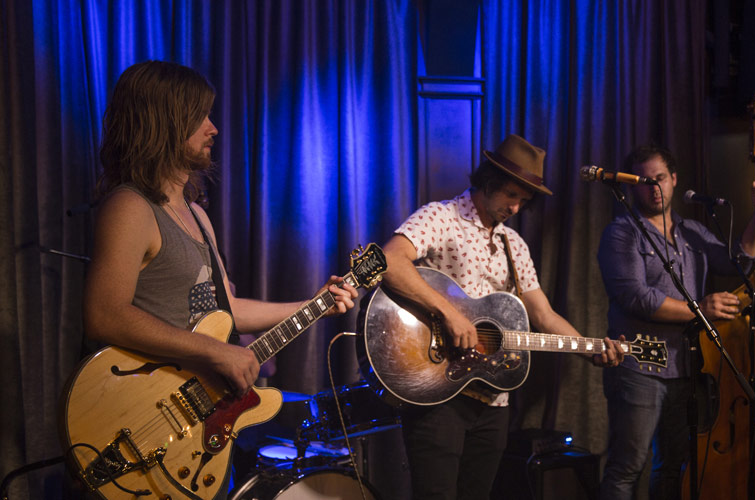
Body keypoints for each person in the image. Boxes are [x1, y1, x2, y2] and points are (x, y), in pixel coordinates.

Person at [82, 60, 358, 492]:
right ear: (165, 123)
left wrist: (314, 305)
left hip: (199, 425)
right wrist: (215, 353)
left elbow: (225, 312)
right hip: (147, 413)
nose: (213, 128)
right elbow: (104, 315)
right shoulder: (130, 207)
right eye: (199, 118)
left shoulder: (197, 216)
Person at [380, 134, 625, 500]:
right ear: (488, 181)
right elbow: (388, 261)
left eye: (523, 202)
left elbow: (542, 314)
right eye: (512, 195)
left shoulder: (516, 245)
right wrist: (448, 313)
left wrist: (590, 349)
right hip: (438, 388)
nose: (515, 208)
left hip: (493, 401)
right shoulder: (441, 217)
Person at [597, 144, 755, 499]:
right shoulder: (622, 232)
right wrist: (701, 309)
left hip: (688, 366)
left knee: (673, 466)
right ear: (632, 186)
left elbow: (739, 262)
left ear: (675, 180)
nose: (653, 188)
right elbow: (638, 298)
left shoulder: (692, 230)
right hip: (639, 365)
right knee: (627, 468)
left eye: (660, 178)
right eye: (644, 180)